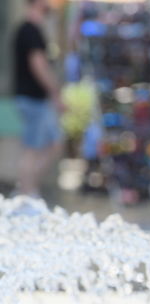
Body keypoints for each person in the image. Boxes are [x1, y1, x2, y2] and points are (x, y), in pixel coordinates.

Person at [13, 0, 64, 200]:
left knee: (53, 144)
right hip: (32, 98)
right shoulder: (29, 30)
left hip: (37, 98)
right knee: (33, 149)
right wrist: (55, 90)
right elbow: (39, 66)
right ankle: (25, 195)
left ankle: (27, 191)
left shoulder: (32, 28)